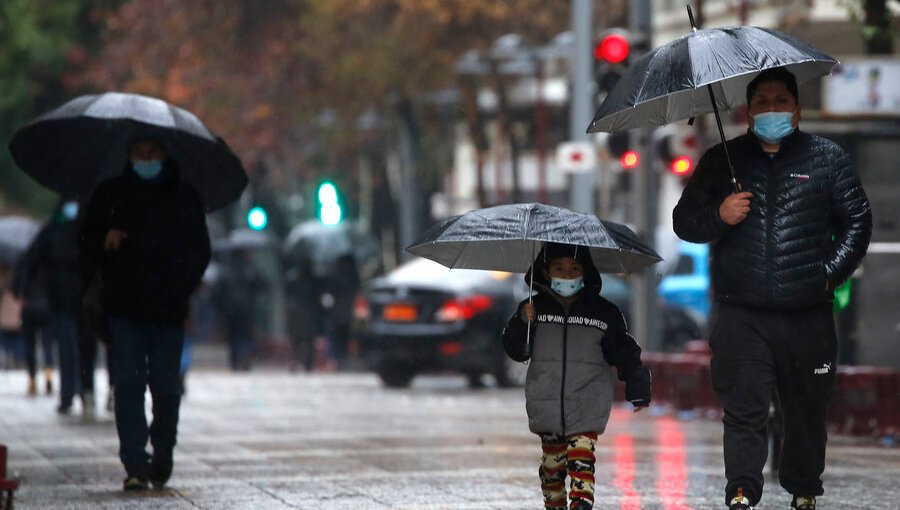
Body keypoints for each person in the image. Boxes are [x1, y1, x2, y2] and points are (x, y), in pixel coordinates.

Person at [672, 67, 872, 510]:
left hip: (807, 311)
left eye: (781, 101)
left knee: (805, 410)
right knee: (744, 408)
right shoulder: (722, 160)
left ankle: (803, 489)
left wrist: (827, 274)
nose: (772, 109)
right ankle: (742, 489)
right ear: (748, 111)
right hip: (741, 312)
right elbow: (684, 222)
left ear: (797, 110)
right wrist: (719, 216)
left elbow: (857, 222)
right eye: (762, 102)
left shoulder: (827, 160)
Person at [79, 135, 211, 491]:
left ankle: (164, 447)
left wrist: (180, 284)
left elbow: (200, 250)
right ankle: (135, 461)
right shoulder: (111, 196)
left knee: (167, 386)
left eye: (153, 152)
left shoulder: (184, 198)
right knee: (129, 382)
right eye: (140, 153)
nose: (147, 159)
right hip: (124, 307)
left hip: (168, 309)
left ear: (165, 155)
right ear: (129, 156)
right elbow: (86, 245)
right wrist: (106, 241)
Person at [502, 242, 651, 510]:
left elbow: (624, 351)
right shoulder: (533, 309)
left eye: (574, 269)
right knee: (552, 468)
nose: (567, 275)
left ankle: (581, 503)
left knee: (582, 460)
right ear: (546, 273)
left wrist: (638, 386)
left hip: (587, 402)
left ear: (585, 272)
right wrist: (523, 322)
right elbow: (516, 350)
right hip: (546, 403)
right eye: (559, 268)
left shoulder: (604, 313)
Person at [13, 200, 85, 414]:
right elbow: (32, 259)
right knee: (68, 347)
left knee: (76, 347)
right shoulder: (56, 230)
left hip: (78, 300)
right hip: (64, 300)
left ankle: (79, 390)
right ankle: (73, 391)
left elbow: (31, 259)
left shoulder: (71, 227)